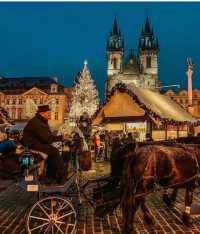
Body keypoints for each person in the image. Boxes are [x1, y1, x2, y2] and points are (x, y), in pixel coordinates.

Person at [22, 105, 66, 184]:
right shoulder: (37, 122)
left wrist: (60, 138)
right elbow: (47, 138)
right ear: (42, 113)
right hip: (32, 144)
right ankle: (61, 175)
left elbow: (48, 137)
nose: (50, 114)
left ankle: (50, 176)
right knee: (54, 151)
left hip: (37, 143)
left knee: (52, 151)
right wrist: (62, 137)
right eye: (48, 113)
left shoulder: (41, 121)